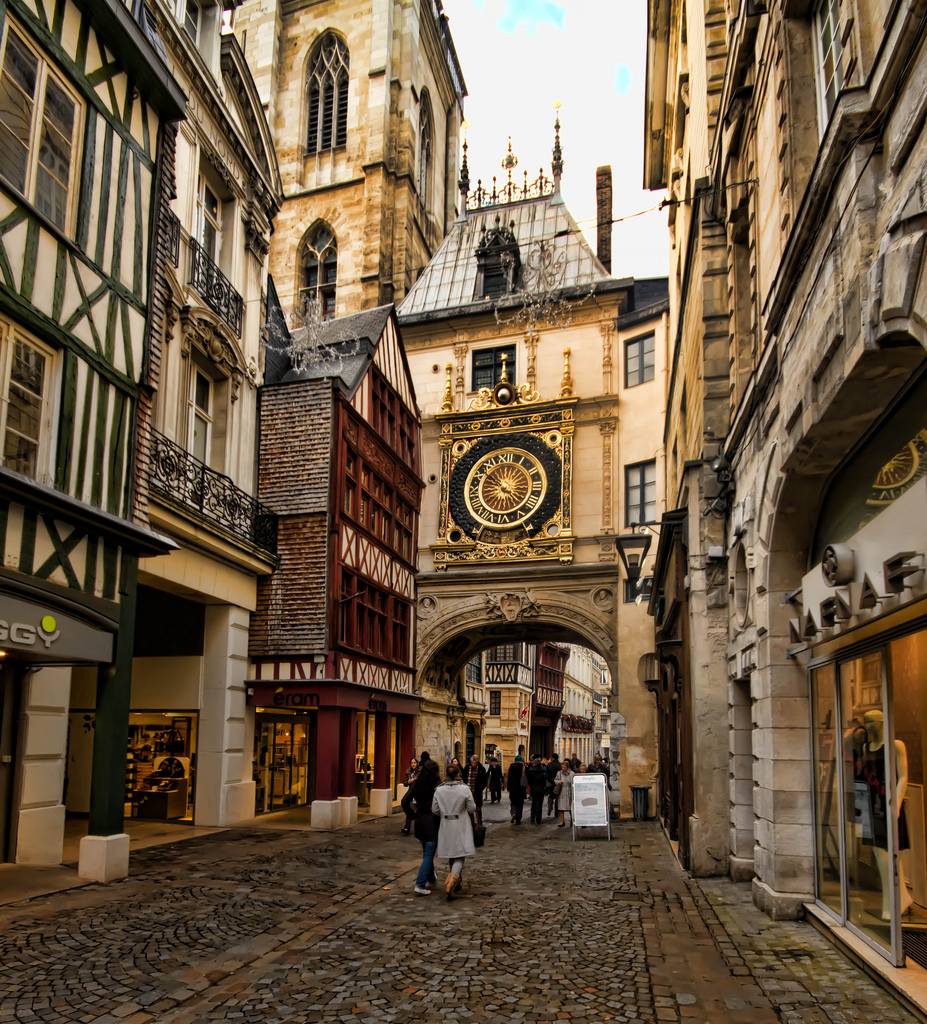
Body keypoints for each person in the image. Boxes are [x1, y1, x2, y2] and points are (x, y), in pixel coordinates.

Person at [432, 763, 477, 900]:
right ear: (458, 774)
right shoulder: (464, 789)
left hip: (446, 824)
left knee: (452, 853)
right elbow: (472, 808)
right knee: (460, 854)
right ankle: (452, 880)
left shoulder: (439, 790)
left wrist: (445, 812)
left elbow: (434, 810)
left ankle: (454, 880)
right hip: (460, 824)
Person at [401, 759, 441, 895]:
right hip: (432, 822)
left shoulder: (417, 784)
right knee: (429, 854)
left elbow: (404, 801)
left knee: (426, 852)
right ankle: (420, 883)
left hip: (420, 821)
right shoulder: (437, 786)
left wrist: (412, 816)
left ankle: (431, 877)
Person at [463, 755, 487, 827]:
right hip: (467, 790)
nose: (473, 764)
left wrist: (481, 788)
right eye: (472, 763)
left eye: (474, 763)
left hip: (477, 791)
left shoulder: (481, 769)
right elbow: (464, 777)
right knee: (468, 807)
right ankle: (470, 822)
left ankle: (479, 822)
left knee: (478, 807)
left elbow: (484, 780)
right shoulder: (467, 768)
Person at [525, 756, 547, 824]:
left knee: (534, 803)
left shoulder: (531, 771)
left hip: (533, 789)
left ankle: (532, 817)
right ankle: (538, 819)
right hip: (541, 789)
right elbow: (545, 780)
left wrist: (531, 786)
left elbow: (529, 780)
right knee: (540, 804)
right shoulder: (543, 770)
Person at [506, 754, 527, 824]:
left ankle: (513, 812)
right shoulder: (523, 768)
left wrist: (508, 787)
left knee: (513, 802)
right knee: (520, 804)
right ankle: (518, 819)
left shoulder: (511, 767)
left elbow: (509, 778)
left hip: (513, 788)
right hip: (521, 788)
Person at [400, 757, 418, 834]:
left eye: (414, 762)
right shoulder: (408, 771)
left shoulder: (420, 771)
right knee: (409, 809)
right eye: (412, 763)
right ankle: (407, 827)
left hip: (418, 792)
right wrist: (408, 782)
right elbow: (404, 783)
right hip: (410, 792)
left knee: (418, 809)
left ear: (417, 763)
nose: (413, 764)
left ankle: (419, 827)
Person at [555, 758, 575, 827]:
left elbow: (574, 781)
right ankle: (562, 821)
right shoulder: (559, 773)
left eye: (564, 767)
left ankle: (572, 820)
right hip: (562, 791)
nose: (563, 768)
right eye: (562, 767)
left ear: (567, 767)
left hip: (569, 791)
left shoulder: (572, 773)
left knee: (570, 807)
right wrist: (558, 782)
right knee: (561, 807)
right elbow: (555, 780)